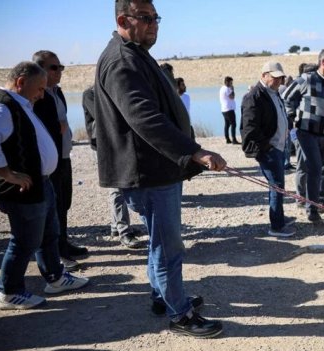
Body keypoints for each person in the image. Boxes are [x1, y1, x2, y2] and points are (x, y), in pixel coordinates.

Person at [93, 0, 225, 338]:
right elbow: (144, 118)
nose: (154, 24)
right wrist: (195, 151)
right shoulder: (122, 60)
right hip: (148, 172)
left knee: (160, 243)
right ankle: (180, 314)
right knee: (168, 247)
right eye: (146, 18)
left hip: (158, 169)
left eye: (156, 18)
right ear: (124, 19)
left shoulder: (134, 52)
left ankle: (162, 296)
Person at [0, 61, 89, 310]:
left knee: (48, 234)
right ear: (21, 82)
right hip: (21, 190)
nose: (42, 94)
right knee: (24, 241)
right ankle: (10, 293)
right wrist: (7, 173)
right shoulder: (3, 107)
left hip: (39, 184)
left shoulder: (21, 104)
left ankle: (55, 278)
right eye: (40, 88)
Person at [32, 50, 88, 272]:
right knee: (52, 208)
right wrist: (58, 128)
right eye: (54, 67)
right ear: (40, 69)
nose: (59, 72)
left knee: (63, 203)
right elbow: (39, 127)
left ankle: (63, 245)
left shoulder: (57, 92)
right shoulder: (37, 96)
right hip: (50, 162)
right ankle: (55, 254)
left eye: (60, 67)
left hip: (63, 157)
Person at [282, 49, 324, 223]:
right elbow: (286, 98)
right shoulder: (306, 79)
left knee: (323, 170)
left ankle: (318, 202)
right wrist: (293, 122)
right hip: (307, 133)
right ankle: (312, 209)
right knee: (314, 169)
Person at [82, 85, 145, 249]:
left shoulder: (112, 91)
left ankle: (116, 227)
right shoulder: (90, 94)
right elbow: (105, 117)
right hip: (104, 147)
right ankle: (125, 232)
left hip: (118, 144)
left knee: (117, 187)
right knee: (116, 188)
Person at [241, 61, 297, 237]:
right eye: (275, 77)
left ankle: (278, 216)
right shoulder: (254, 96)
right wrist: (266, 147)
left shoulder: (274, 93)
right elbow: (249, 128)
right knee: (277, 186)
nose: (278, 81)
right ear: (264, 75)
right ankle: (277, 226)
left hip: (278, 146)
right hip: (269, 149)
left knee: (278, 185)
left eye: (280, 78)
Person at [219, 76, 238, 144]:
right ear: (227, 82)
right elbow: (232, 97)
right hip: (229, 109)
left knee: (227, 124)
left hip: (224, 109)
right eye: (231, 82)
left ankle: (227, 139)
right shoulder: (227, 89)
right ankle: (234, 139)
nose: (231, 84)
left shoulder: (222, 88)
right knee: (233, 124)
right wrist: (232, 90)